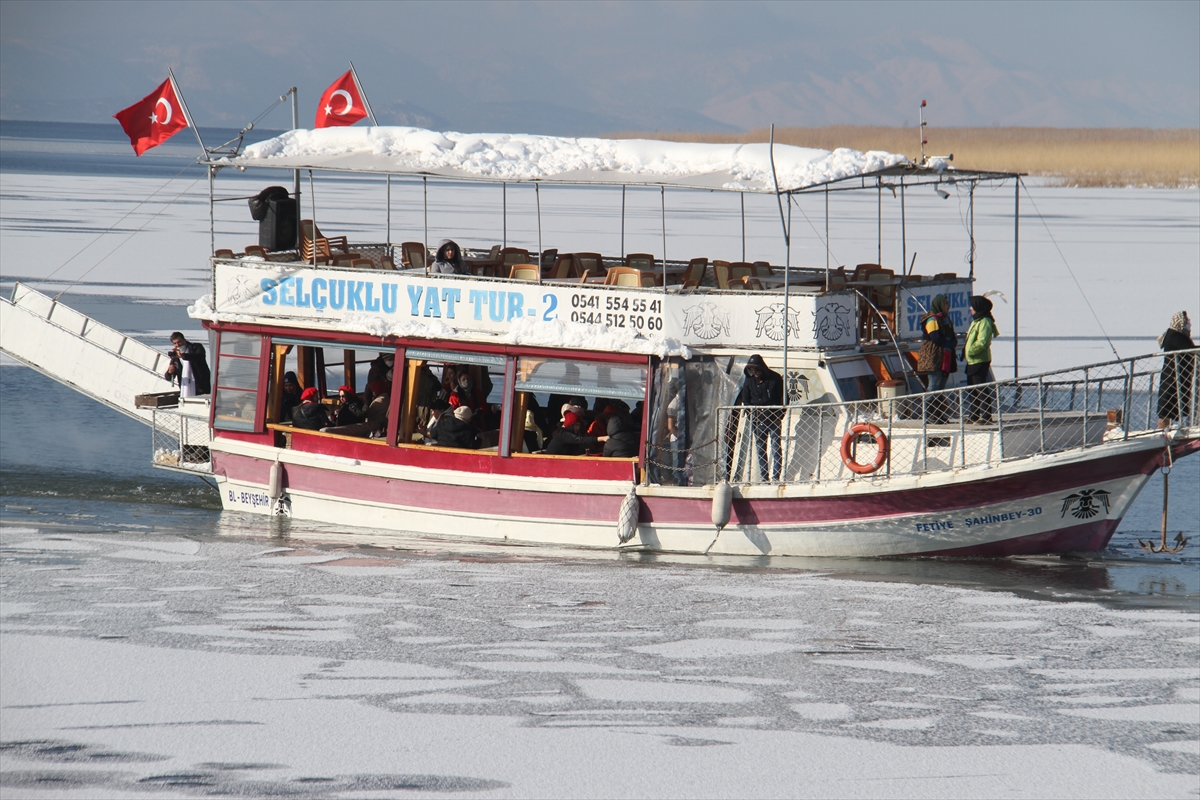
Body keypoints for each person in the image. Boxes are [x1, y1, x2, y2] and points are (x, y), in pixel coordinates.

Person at [735, 354, 784, 482]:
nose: (754, 372)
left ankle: (776, 477)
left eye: (756, 370)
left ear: (762, 368)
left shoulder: (775, 378)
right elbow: (745, 399)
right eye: (752, 370)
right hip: (757, 419)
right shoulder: (749, 380)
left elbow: (783, 398)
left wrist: (780, 415)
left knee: (776, 448)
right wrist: (751, 414)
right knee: (760, 449)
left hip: (774, 419)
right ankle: (764, 477)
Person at [915, 295, 958, 424]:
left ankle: (938, 415)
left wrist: (951, 342)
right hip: (934, 356)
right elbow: (936, 338)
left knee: (940, 388)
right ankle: (927, 415)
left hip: (944, 356)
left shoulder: (945, 320)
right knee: (934, 386)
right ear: (940, 305)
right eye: (946, 304)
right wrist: (949, 343)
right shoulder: (932, 320)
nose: (948, 306)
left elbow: (951, 336)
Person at [1157, 310, 1195, 428]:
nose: (1189, 324)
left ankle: (1167, 430)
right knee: (1167, 411)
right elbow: (1190, 350)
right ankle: (1161, 433)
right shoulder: (1174, 336)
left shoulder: (1177, 336)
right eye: (1187, 321)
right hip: (1173, 380)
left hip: (1175, 379)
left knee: (1170, 409)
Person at [964, 296, 999, 424]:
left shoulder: (985, 322)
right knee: (972, 388)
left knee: (980, 387)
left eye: (972, 306)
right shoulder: (976, 321)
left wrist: (971, 351)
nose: (970, 308)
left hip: (980, 359)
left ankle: (986, 415)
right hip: (972, 360)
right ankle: (974, 414)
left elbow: (983, 342)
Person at [324, 379, 389, 438]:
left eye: (343, 396)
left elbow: (359, 415)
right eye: (340, 396)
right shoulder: (348, 404)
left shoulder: (353, 405)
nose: (341, 398)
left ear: (348, 395)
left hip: (350, 432)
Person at [164, 332, 211, 397]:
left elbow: (199, 357)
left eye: (179, 342)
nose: (178, 345)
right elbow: (169, 377)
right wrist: (170, 372)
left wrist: (183, 356)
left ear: (184, 340)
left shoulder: (196, 347)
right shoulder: (175, 357)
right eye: (175, 343)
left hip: (202, 387)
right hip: (185, 389)